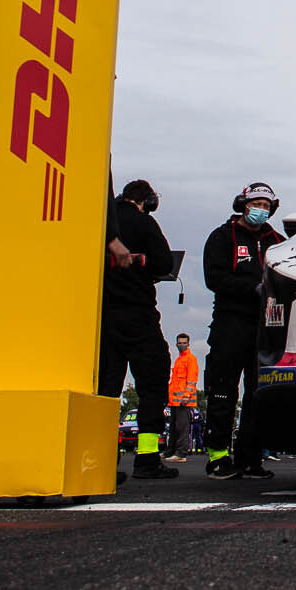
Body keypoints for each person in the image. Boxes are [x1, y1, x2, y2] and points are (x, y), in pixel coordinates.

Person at [203, 181, 282, 480]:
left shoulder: (277, 240)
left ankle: (250, 458)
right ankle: (217, 456)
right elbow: (214, 279)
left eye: (266, 206)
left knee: (258, 394)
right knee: (223, 388)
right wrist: (253, 288)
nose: (261, 210)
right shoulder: (222, 236)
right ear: (243, 205)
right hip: (230, 322)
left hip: (265, 325)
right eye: (256, 204)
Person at [100, 177, 177, 481]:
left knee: (106, 390)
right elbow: (165, 263)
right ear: (149, 202)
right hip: (139, 314)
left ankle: (104, 462)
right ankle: (147, 459)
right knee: (153, 384)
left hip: (104, 316)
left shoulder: (103, 221)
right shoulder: (144, 223)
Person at [167, 332, 199, 461]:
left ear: (188, 344)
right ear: (176, 344)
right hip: (174, 402)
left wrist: (186, 396)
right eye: (180, 343)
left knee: (182, 428)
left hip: (184, 401)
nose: (182, 345)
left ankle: (180, 454)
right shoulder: (179, 360)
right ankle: (170, 452)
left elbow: (192, 379)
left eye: (184, 343)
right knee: (173, 428)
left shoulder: (191, 359)